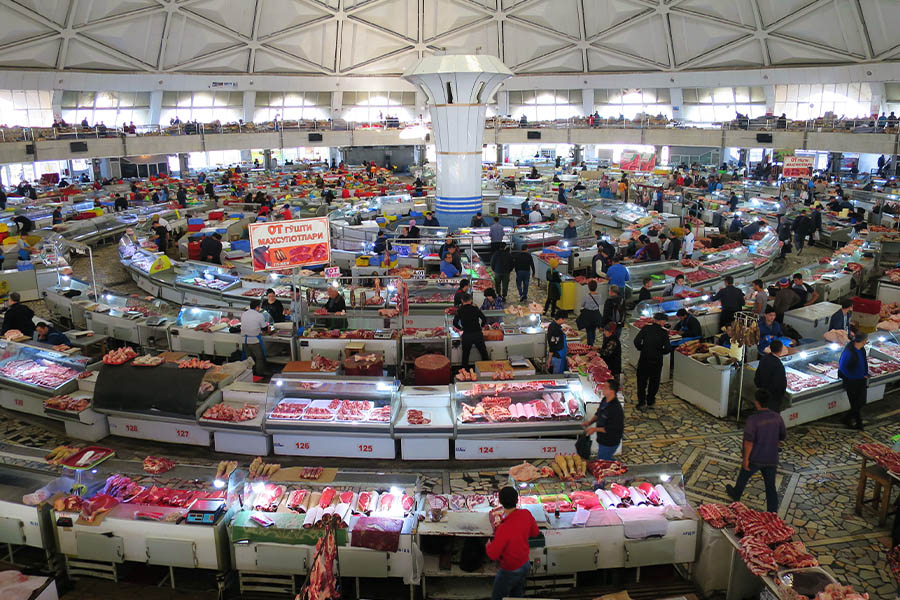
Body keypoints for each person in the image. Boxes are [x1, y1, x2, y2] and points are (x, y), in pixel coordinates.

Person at [725, 389, 786, 513]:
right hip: (771, 458)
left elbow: (749, 442)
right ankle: (772, 512)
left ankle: (736, 496)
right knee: (770, 486)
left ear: (756, 402)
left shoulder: (753, 420)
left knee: (743, 477)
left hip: (755, 457)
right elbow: (782, 436)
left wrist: (746, 459)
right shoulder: (777, 417)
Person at [485, 486, 538, 600]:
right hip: (525, 564)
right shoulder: (526, 514)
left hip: (509, 569)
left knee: (498, 597)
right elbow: (534, 533)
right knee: (517, 594)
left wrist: (488, 544)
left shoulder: (503, 528)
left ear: (500, 502)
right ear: (517, 500)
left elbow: (493, 555)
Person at [633, 312, 672, 410]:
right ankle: (650, 401)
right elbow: (668, 348)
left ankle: (641, 402)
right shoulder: (664, 333)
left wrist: (642, 348)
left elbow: (636, 341)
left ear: (654, 320)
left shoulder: (646, 328)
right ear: (662, 321)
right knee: (654, 381)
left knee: (641, 381)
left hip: (644, 358)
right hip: (657, 360)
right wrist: (660, 352)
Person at [583, 379, 624, 460]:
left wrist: (594, 429)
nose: (602, 388)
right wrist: (589, 422)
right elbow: (598, 414)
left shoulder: (616, 408)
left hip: (610, 441)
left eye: (605, 387)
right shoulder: (605, 400)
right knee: (604, 458)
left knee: (603, 460)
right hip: (602, 439)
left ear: (612, 391)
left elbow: (611, 428)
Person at [839, 333, 868, 430]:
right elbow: (843, 367)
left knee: (861, 402)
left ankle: (847, 419)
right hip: (851, 381)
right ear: (863, 341)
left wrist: (865, 373)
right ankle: (858, 423)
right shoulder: (849, 352)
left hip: (861, 379)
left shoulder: (862, 350)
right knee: (855, 403)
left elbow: (864, 362)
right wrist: (851, 377)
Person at [453, 293, 488, 368]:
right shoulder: (475, 309)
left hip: (467, 335)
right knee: (484, 354)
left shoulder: (460, 310)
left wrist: (461, 328)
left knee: (465, 356)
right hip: (477, 334)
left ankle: (465, 373)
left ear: (462, 301)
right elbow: (484, 319)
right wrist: (481, 326)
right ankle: (487, 370)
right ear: (471, 300)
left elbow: (454, 323)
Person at [755, 339, 787, 410]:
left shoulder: (764, 358)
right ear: (781, 350)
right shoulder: (778, 365)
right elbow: (781, 384)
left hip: (763, 394)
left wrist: (759, 388)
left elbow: (757, 375)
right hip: (773, 397)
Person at [241, 299, 269, 378]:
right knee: (259, 358)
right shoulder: (259, 315)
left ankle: (250, 375)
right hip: (254, 341)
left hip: (245, 341)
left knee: (249, 358)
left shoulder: (244, 314)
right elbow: (264, 329)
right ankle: (259, 374)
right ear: (257, 307)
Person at [579, 280, 603, 346]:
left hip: (588, 315)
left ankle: (590, 344)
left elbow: (582, 305)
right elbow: (600, 303)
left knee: (588, 329)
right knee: (594, 328)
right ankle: (593, 341)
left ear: (588, 287)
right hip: (596, 314)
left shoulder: (586, 296)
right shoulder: (599, 296)